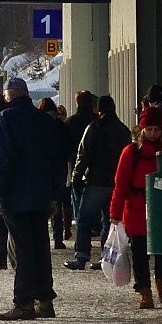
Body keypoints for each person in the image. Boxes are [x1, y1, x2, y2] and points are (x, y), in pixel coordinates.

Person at [0, 76, 65, 320]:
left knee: (22, 250)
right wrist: (55, 194)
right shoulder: (44, 120)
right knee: (40, 246)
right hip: (41, 195)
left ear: (8, 96)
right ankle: (45, 300)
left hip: (15, 196)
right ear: (27, 94)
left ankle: (24, 303)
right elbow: (56, 160)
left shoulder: (4, 120)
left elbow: (2, 161)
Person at [109, 106, 162, 309]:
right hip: (136, 208)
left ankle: (161, 279)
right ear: (142, 130)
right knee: (139, 253)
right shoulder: (131, 152)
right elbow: (120, 184)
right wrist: (115, 213)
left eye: (156, 130)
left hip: (161, 208)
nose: (153, 134)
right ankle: (145, 292)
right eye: (149, 130)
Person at [65, 95, 131, 271]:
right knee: (109, 221)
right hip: (116, 183)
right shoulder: (124, 130)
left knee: (84, 219)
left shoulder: (95, 127)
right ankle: (106, 257)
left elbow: (84, 154)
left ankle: (81, 257)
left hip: (96, 180)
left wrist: (76, 178)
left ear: (99, 109)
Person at [37, 97, 72, 250]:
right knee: (58, 202)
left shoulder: (39, 125)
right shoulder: (61, 125)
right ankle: (58, 237)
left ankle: (43, 236)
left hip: (42, 168)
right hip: (59, 167)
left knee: (42, 201)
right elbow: (67, 147)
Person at [64, 90, 98, 232]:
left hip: (75, 166)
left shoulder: (70, 122)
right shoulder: (97, 121)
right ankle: (95, 227)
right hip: (97, 168)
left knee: (78, 202)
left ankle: (82, 233)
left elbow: (65, 146)